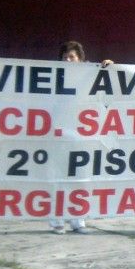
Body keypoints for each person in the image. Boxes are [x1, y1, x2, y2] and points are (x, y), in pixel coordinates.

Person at [51, 41, 91, 234]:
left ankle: (77, 220)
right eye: (65, 57)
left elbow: (107, 75)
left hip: (81, 134)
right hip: (58, 133)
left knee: (78, 177)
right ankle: (57, 220)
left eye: (72, 57)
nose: (68, 60)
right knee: (58, 178)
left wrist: (109, 65)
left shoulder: (88, 76)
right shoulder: (53, 77)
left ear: (80, 59)